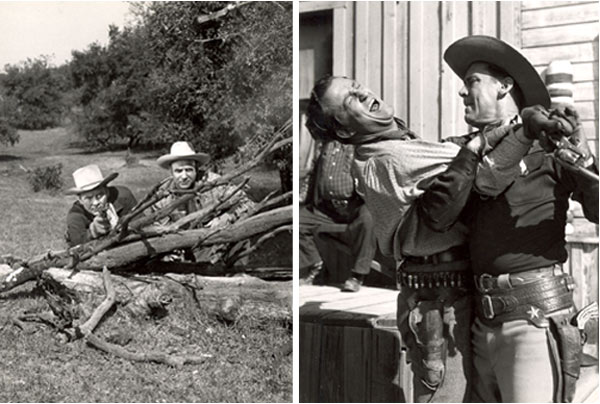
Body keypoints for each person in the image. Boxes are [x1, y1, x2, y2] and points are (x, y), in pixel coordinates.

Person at [305, 73, 546, 402]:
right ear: (346, 129)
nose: (366, 93)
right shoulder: (392, 158)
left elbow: (462, 151)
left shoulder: (396, 147)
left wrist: (508, 127)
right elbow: (484, 170)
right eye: (352, 100)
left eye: (358, 86)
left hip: (443, 293)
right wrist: (524, 131)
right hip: (440, 301)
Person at [439, 35, 599, 403]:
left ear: (504, 87)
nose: (463, 94)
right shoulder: (459, 152)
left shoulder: (549, 149)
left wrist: (584, 154)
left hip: (533, 319)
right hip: (476, 322)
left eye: (472, 82)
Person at [299, 136, 376, 292]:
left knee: (369, 220)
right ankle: (316, 265)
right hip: (327, 208)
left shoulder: (362, 145)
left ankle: (357, 276)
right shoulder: (325, 143)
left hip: (355, 206)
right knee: (297, 219)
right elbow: (314, 173)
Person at [65, 164, 137, 247]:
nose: (96, 203)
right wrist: (93, 232)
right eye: (88, 198)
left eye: (99, 196)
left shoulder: (123, 196)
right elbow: (76, 242)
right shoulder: (75, 215)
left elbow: (140, 220)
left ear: (107, 192)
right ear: (80, 200)